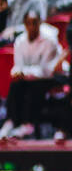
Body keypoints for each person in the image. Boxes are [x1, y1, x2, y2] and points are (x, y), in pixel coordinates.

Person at [0, 12, 65, 140]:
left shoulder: (49, 40)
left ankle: (28, 124)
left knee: (35, 85)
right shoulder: (20, 41)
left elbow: (46, 70)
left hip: (53, 76)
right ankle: (11, 121)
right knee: (16, 84)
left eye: (34, 23)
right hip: (29, 78)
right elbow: (18, 65)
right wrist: (18, 73)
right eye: (28, 23)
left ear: (40, 23)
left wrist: (26, 73)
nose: (31, 26)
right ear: (24, 24)